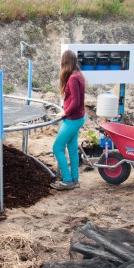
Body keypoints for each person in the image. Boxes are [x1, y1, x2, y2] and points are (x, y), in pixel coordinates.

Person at [51, 50, 86, 191]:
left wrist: (64, 113)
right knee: (72, 149)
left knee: (57, 148)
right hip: (78, 117)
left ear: (65, 62)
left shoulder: (72, 78)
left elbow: (76, 102)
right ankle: (75, 179)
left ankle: (67, 180)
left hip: (72, 119)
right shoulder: (78, 75)